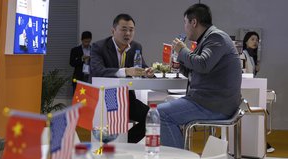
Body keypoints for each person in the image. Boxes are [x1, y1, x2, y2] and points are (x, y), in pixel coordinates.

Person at [157, 3, 242, 149]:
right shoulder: (206, 39)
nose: (185, 27)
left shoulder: (216, 37)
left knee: (160, 114)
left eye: (185, 22)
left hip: (214, 104)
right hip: (209, 101)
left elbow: (203, 64)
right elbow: (195, 70)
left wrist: (182, 50)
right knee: (164, 110)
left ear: (194, 22)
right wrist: (179, 63)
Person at [90, 13, 153, 143]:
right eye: (124, 29)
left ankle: (125, 143)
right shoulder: (99, 47)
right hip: (105, 99)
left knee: (154, 117)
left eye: (131, 30)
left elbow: (141, 66)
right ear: (113, 31)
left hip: (127, 99)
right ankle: (116, 145)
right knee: (111, 124)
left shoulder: (136, 47)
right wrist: (125, 71)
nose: (128, 34)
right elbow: (97, 71)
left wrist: (147, 71)